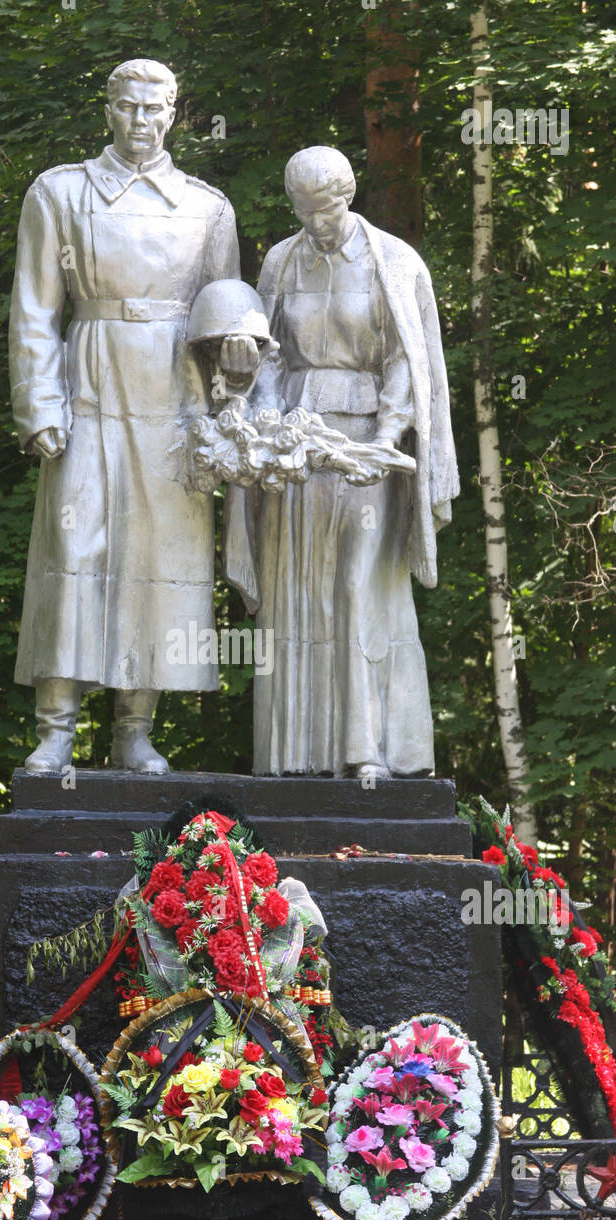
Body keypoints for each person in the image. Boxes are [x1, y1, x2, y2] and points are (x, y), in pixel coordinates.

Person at [9, 59, 241, 772]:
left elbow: (228, 316)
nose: (141, 122)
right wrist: (39, 401)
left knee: (160, 557)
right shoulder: (61, 192)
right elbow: (34, 309)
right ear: (106, 110)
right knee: (75, 551)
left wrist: (231, 393)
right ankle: (55, 727)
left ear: (174, 113)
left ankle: (136, 727)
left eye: (155, 109)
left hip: (174, 394)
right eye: (128, 108)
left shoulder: (207, 208)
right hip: (90, 380)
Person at [224, 146, 458, 778]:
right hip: (295, 446)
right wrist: (258, 404)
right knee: (294, 588)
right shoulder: (280, 260)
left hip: (364, 443)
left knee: (359, 584)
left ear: (348, 196)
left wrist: (388, 436)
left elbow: (408, 358)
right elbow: (269, 355)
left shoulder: (394, 262)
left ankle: (368, 751)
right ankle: (292, 756)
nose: (316, 224)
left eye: (325, 210)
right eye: (303, 211)